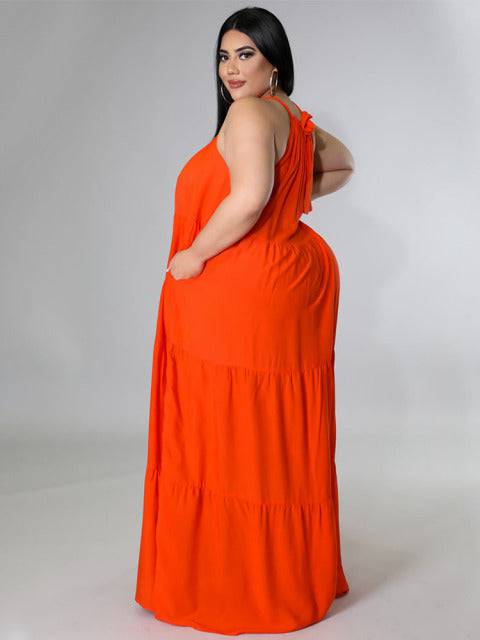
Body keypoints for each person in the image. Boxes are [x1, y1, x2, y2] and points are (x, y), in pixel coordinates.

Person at [135, 6, 354, 635]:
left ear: (273, 60)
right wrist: (293, 197)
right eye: (224, 56)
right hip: (283, 282)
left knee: (225, 429)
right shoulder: (293, 117)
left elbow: (250, 197)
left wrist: (194, 255)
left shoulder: (252, 114)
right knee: (264, 430)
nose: (231, 69)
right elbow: (341, 166)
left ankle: (233, 583)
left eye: (246, 54)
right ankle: (280, 572)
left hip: (238, 288)